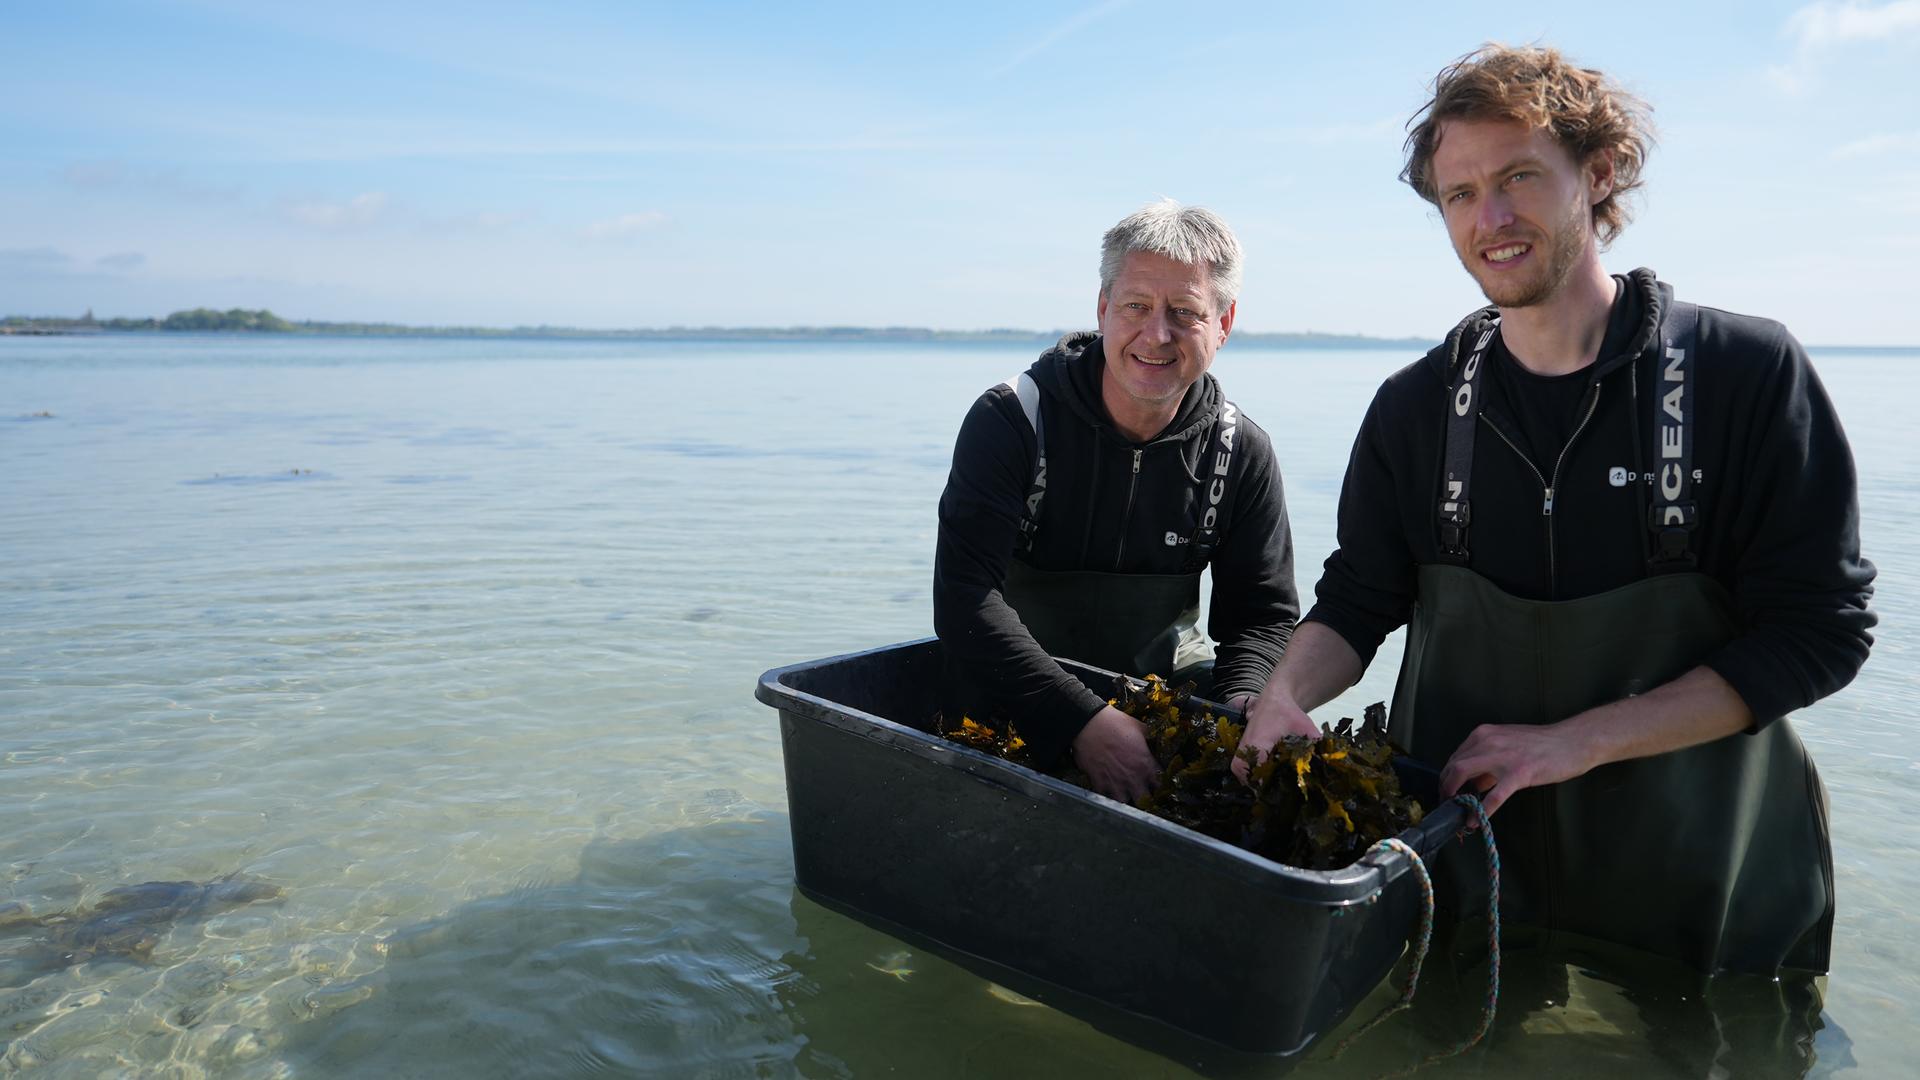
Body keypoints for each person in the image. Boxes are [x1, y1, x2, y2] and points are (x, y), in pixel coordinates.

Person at [1238, 44, 1875, 975]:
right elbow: (1359, 599)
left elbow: (1823, 631)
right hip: (1473, 884)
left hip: (1701, 883)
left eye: (1519, 177)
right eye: (1458, 194)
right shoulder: (1412, 408)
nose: (1489, 218)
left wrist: (1576, 742)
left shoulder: (1746, 374)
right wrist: (1284, 693)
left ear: (1599, 173)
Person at [934, 199, 1300, 804]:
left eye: (1185, 312)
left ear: (1224, 323)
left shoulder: (1241, 452)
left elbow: (1260, 620)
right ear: (1103, 309)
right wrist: (1080, 722)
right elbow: (964, 602)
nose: (1157, 334)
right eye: (1136, 306)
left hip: (1161, 704)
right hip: (1009, 706)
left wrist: (1243, 706)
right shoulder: (1013, 420)